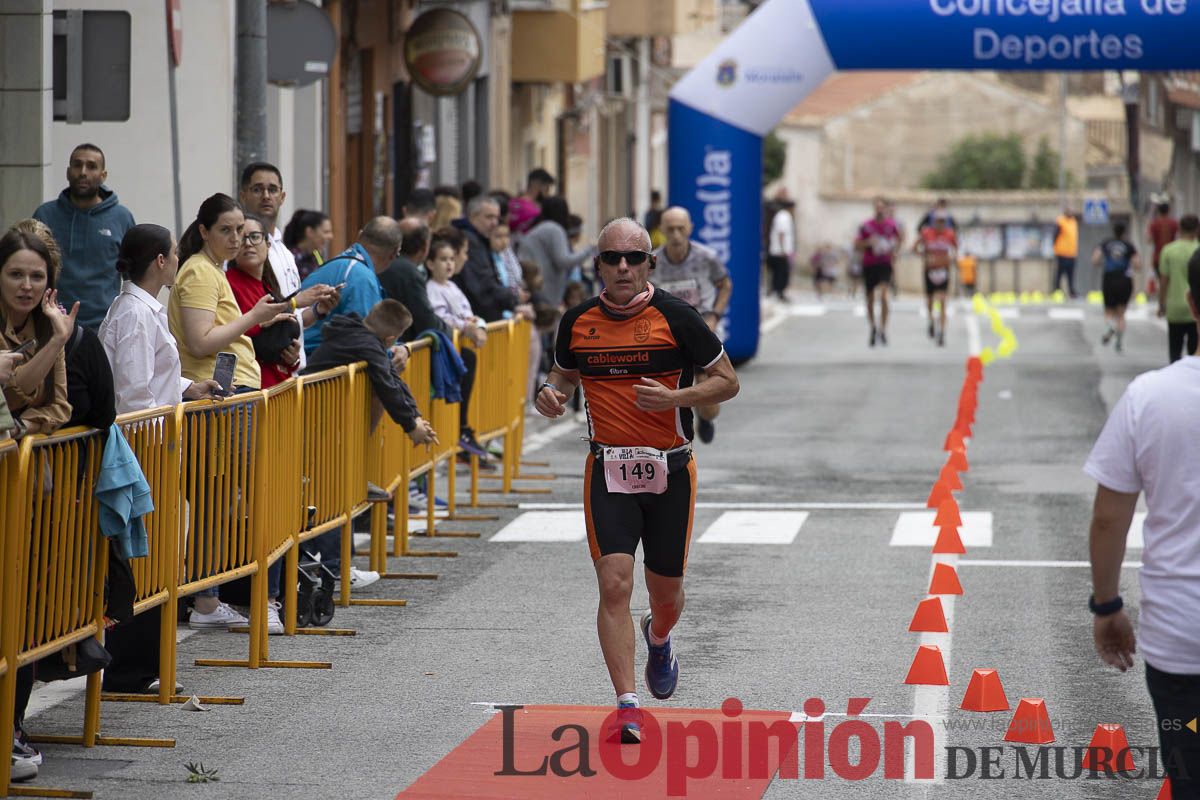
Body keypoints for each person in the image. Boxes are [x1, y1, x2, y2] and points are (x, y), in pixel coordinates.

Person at [534, 217, 740, 744]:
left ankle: (659, 635)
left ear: (649, 263)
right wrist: (551, 393)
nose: (621, 267)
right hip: (608, 469)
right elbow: (563, 374)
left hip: (670, 469)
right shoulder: (577, 321)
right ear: (598, 265)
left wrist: (676, 399)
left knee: (665, 594)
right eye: (611, 258)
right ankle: (627, 705)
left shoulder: (678, 317)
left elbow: (727, 381)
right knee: (614, 583)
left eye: (632, 258)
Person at [1083, 256, 1200, 794]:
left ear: (1191, 304)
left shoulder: (1149, 397)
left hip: (1183, 638)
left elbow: (1110, 517)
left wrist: (1107, 605)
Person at [239, 162, 337, 373]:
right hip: (260, 375)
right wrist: (295, 301)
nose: (266, 196)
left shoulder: (285, 252)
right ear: (243, 195)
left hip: (292, 371)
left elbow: (296, 317)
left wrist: (319, 310)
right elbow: (247, 319)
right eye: (257, 189)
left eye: (272, 189)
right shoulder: (241, 252)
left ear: (282, 197)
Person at [32, 143, 136, 332]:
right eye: (77, 165)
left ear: (103, 175)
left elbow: (134, 280)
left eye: (91, 166)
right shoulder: (44, 215)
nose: (83, 172)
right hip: (51, 325)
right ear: (68, 171)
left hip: (104, 328)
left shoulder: (122, 218)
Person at [226, 215, 335, 388]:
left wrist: (292, 358)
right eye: (241, 237)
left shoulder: (268, 285)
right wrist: (292, 303)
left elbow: (282, 336)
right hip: (250, 389)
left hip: (280, 389)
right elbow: (237, 336)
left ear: (268, 245)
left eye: (254, 237)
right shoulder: (228, 283)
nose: (248, 243)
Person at [654, 206, 732, 445]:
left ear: (690, 229)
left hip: (701, 331)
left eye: (681, 228)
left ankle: (706, 417)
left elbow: (725, 285)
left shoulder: (707, 257)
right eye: (671, 229)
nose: (676, 235)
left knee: (707, 400)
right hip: (666, 335)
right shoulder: (652, 262)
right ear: (662, 230)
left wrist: (714, 316)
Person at [0, 229, 75, 439]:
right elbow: (11, 398)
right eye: (16, 275)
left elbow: (60, 408)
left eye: (37, 277)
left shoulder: (51, 328)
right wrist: (55, 344)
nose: (26, 286)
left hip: (29, 464)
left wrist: (19, 427)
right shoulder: (55, 336)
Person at [424, 232, 491, 461]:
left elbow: (468, 313)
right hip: (445, 350)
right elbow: (441, 317)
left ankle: (463, 425)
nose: (449, 264)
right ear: (430, 263)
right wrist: (466, 327)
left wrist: (479, 326)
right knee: (466, 362)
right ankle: (460, 426)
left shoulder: (453, 287)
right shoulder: (432, 288)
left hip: (459, 343)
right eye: (443, 259)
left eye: (452, 259)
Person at [300, 216, 404, 353]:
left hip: (301, 362)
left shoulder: (345, 265)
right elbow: (364, 341)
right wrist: (395, 353)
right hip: (313, 365)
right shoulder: (362, 277)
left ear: (360, 235)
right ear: (394, 253)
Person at [519, 196, 595, 310]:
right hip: (545, 292)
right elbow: (563, 261)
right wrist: (590, 249)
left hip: (535, 289)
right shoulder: (554, 229)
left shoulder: (540, 228)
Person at [451, 196, 515, 322]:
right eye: (489, 217)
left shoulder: (480, 240)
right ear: (473, 216)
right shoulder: (472, 242)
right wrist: (514, 300)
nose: (494, 223)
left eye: (497, 217)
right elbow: (483, 283)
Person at [855, 197, 902, 347]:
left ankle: (883, 328)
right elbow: (856, 244)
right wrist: (868, 242)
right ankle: (873, 327)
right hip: (869, 264)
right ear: (874, 209)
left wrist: (895, 251)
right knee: (869, 299)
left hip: (885, 264)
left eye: (882, 207)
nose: (880, 210)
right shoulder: (866, 226)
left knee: (883, 295)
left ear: (885, 209)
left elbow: (900, 238)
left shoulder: (891, 225)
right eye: (877, 207)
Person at [1157, 214, 1200, 363]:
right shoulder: (1198, 250)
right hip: (1196, 307)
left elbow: (1163, 281)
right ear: (1197, 230)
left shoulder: (1168, 250)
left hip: (1174, 307)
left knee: (1175, 352)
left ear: (1180, 229)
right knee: (1195, 351)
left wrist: (1161, 304)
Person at [1094, 221, 1140, 354]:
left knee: (1108, 311)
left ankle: (1110, 327)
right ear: (1124, 233)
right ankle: (1119, 343)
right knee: (1121, 313)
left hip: (1109, 279)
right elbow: (1137, 264)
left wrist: (1104, 262)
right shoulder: (1129, 246)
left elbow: (1095, 259)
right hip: (1124, 280)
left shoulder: (1106, 243)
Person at [915, 213, 956, 347]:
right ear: (934, 222)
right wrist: (924, 256)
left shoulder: (950, 234)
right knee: (930, 301)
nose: (941, 224)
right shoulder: (927, 233)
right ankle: (931, 321)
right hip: (929, 271)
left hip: (943, 271)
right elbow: (915, 247)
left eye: (943, 221)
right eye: (938, 221)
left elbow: (956, 250)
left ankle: (942, 332)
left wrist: (950, 259)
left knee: (943, 301)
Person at [282, 209, 333, 282]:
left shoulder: (317, 255)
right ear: (310, 232)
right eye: (326, 232)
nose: (330, 236)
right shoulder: (290, 258)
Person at [766, 192, 796, 301]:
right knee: (781, 273)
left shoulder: (782, 215)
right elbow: (781, 233)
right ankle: (779, 292)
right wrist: (783, 250)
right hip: (779, 251)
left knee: (778, 273)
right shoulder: (784, 216)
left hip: (777, 250)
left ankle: (777, 292)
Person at [508, 168, 555, 235]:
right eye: (546, 188)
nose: (547, 193)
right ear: (536, 184)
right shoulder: (535, 212)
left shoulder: (512, 203)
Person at [1147, 200, 1179, 281]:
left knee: (1161, 280)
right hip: (1172, 256)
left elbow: (1149, 240)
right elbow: (1179, 237)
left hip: (1158, 257)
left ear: (1159, 211)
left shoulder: (1154, 224)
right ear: (1169, 210)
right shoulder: (1174, 223)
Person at [1053, 207, 1079, 298]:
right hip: (1062, 252)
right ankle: (1057, 290)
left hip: (1072, 253)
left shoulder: (1073, 222)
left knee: (1070, 274)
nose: (1071, 213)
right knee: (1060, 273)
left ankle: (1071, 291)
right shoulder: (1061, 221)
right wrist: (1055, 248)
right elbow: (1055, 235)